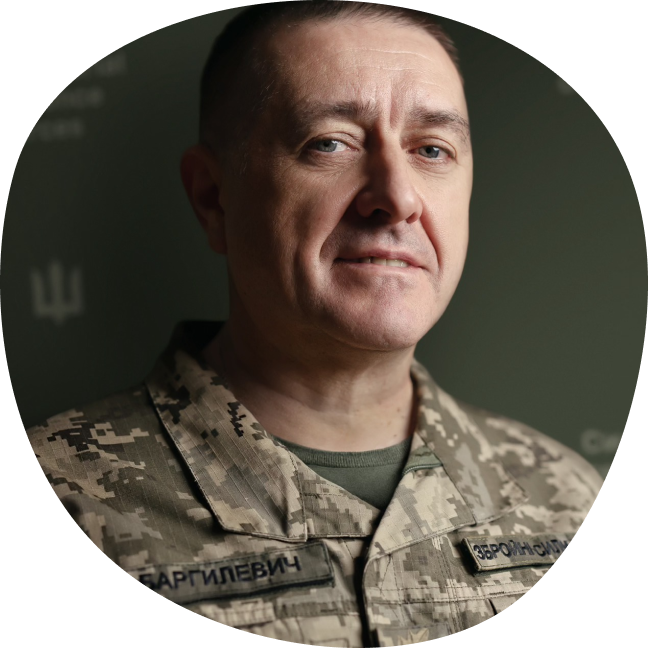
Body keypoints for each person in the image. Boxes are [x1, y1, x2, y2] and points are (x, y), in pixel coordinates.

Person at [26, 2, 603, 644]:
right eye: (330, 143)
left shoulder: (569, 500)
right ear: (213, 198)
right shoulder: (70, 493)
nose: (398, 197)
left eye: (432, 149)